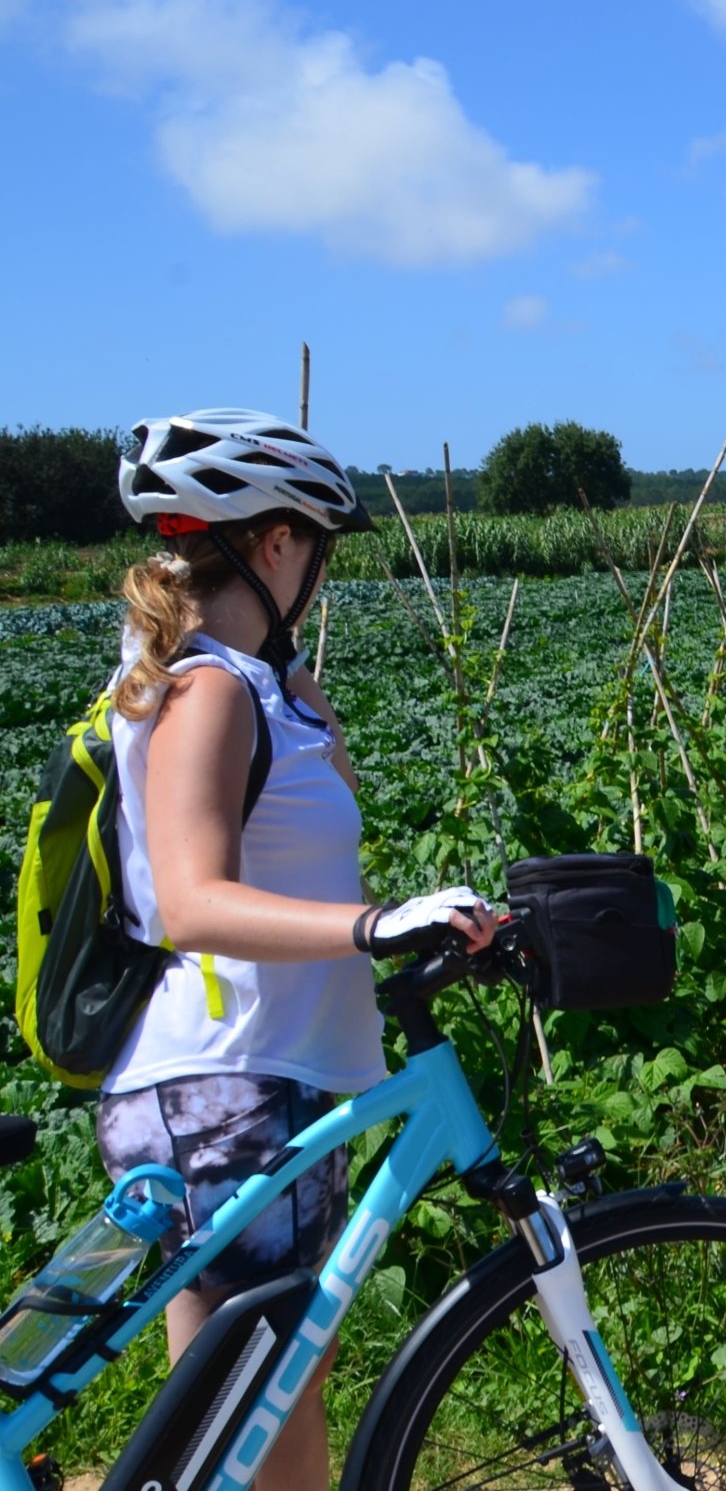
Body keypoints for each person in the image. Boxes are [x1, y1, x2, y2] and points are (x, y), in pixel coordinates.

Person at [96, 409, 495, 1491]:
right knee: (240, 1428)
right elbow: (193, 901)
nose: (321, 572)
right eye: (320, 545)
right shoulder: (210, 689)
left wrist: (422, 926)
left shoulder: (259, 684)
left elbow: (313, 866)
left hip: (268, 1075)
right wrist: (373, 926)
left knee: (280, 1395)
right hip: (223, 1089)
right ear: (277, 544)